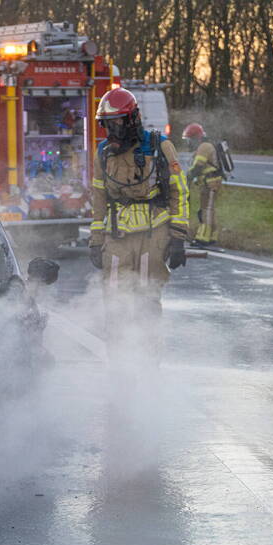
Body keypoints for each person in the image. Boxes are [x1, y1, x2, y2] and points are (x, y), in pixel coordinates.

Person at [87, 87, 190, 363]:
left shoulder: (159, 146)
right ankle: (118, 363)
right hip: (117, 238)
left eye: (117, 122)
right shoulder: (104, 153)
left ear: (132, 119)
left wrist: (178, 237)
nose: (112, 130)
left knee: (146, 301)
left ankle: (148, 364)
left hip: (152, 237)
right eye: (108, 124)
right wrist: (96, 241)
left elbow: (180, 191)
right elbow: (98, 197)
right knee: (115, 301)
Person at [183, 122, 222, 247]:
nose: (188, 143)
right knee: (208, 210)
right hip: (208, 183)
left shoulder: (204, 147)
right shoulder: (203, 146)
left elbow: (198, 165)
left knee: (206, 211)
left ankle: (203, 239)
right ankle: (212, 237)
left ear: (196, 138)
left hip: (210, 183)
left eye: (189, 140)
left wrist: (188, 176)